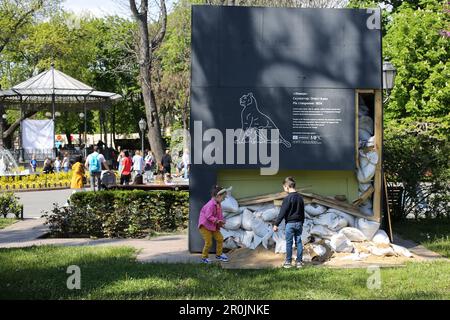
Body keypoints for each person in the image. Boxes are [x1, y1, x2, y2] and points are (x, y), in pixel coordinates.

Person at [273, 177, 305, 269]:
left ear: (287, 186)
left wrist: (276, 224)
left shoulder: (287, 199)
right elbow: (302, 212)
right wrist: (302, 222)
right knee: (299, 242)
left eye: (283, 187)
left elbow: (282, 213)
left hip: (290, 224)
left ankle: (288, 262)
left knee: (289, 243)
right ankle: (299, 262)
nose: (284, 189)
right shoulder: (300, 198)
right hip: (299, 223)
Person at [198, 185, 230, 264]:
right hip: (205, 226)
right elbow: (208, 216)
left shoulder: (218, 204)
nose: (224, 199)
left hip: (213, 226)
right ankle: (204, 257)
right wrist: (217, 221)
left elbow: (220, 215)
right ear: (218, 196)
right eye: (223, 197)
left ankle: (219, 254)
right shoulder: (211, 204)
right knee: (209, 242)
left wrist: (221, 221)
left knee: (220, 239)